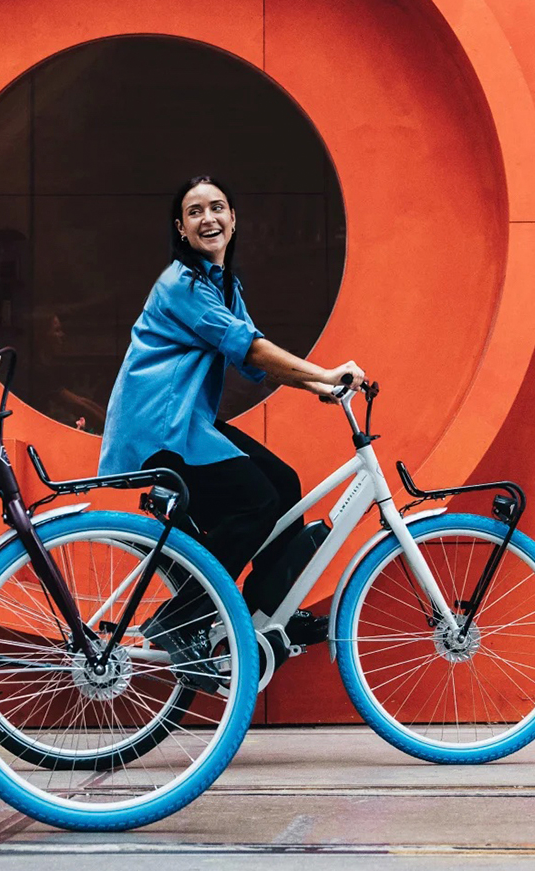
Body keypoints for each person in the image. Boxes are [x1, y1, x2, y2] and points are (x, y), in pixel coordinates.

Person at [98, 176, 365, 673]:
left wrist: (321, 388)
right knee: (256, 500)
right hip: (159, 427)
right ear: (181, 228)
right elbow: (251, 349)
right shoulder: (181, 285)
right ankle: (181, 619)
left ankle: (269, 608)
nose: (208, 219)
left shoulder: (222, 285)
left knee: (284, 484)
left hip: (187, 420)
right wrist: (324, 374)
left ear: (234, 219)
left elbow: (254, 360)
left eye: (217, 208)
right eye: (195, 212)